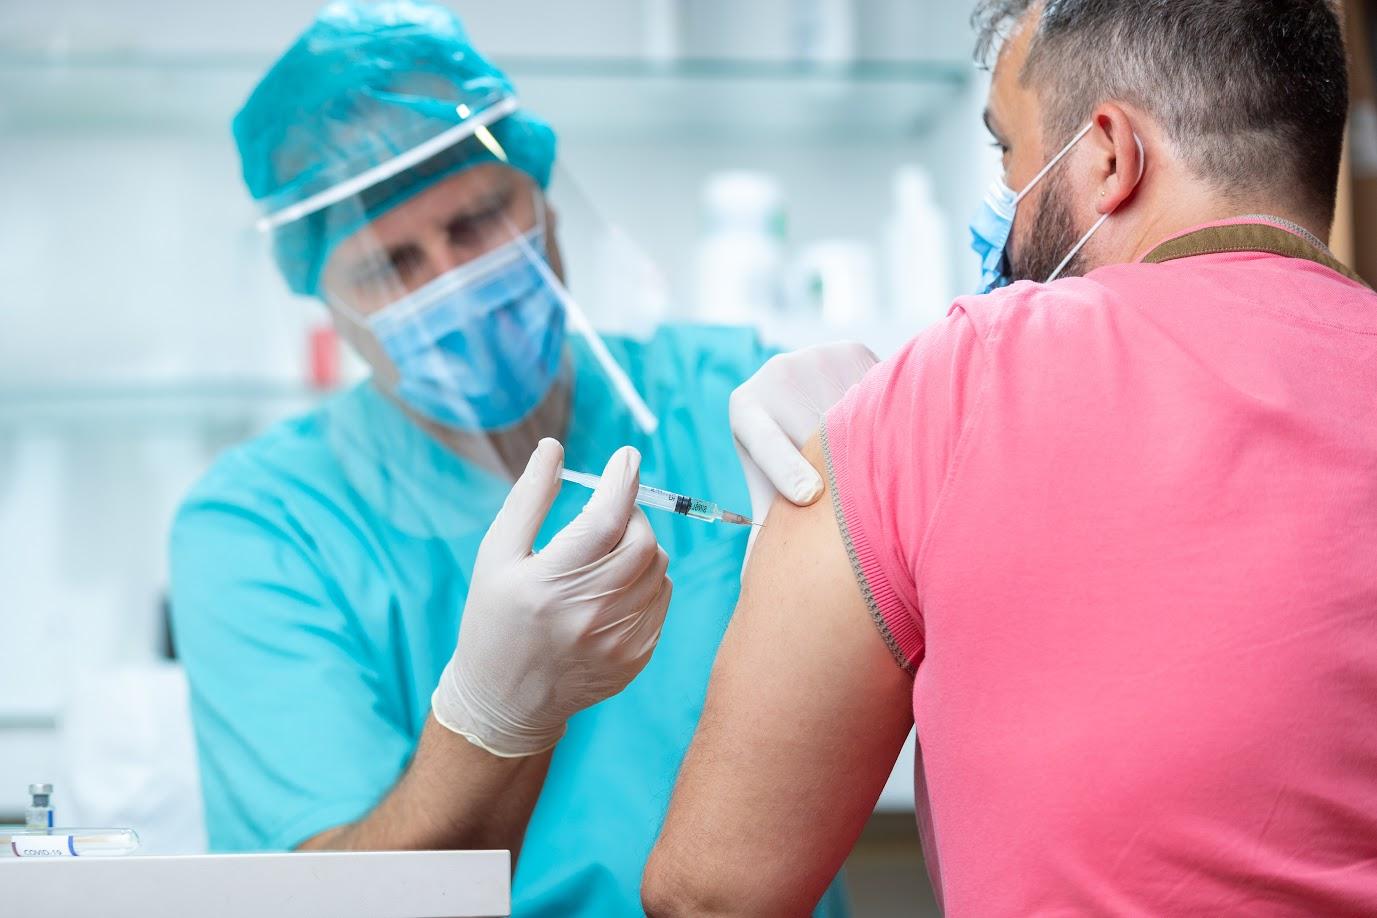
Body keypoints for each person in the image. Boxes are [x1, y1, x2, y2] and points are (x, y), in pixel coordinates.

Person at [645, 0, 1377, 914]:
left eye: (1006, 151)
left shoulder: (957, 381)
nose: (1004, 196)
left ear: (1109, 155)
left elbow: (712, 894)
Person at [168, 2, 850, 915]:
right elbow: (326, 897)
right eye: (390, 263)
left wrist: (904, 418)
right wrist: (491, 717)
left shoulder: (725, 392)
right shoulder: (263, 525)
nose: (449, 280)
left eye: (479, 221)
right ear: (322, 293)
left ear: (543, 201)